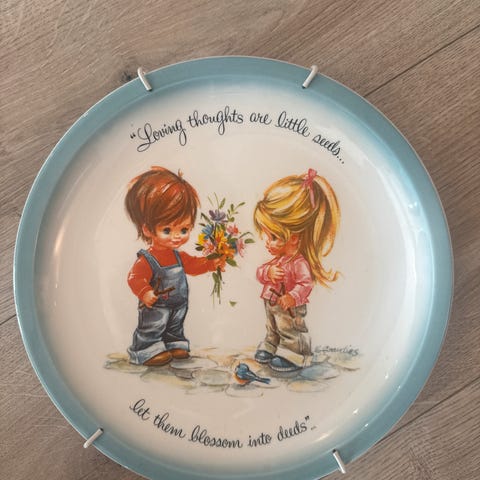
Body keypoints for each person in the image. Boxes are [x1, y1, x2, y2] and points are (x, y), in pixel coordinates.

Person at [125, 167, 224, 366]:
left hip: (178, 304)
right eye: (167, 230)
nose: (177, 236)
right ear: (147, 229)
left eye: (184, 229)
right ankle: (145, 350)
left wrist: (211, 263)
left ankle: (173, 344)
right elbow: (134, 277)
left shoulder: (178, 256)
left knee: (175, 325)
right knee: (153, 326)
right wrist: (144, 292)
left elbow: (193, 265)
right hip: (156, 305)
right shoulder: (147, 259)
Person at [253, 168, 340, 372]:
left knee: (290, 329)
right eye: (265, 235)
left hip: (289, 305)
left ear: (293, 238)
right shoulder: (278, 260)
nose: (266, 242)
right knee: (272, 326)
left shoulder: (298, 263)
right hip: (272, 302)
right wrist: (268, 273)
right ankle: (270, 345)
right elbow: (260, 273)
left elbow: (305, 284)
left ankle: (295, 354)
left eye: (273, 237)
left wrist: (293, 296)